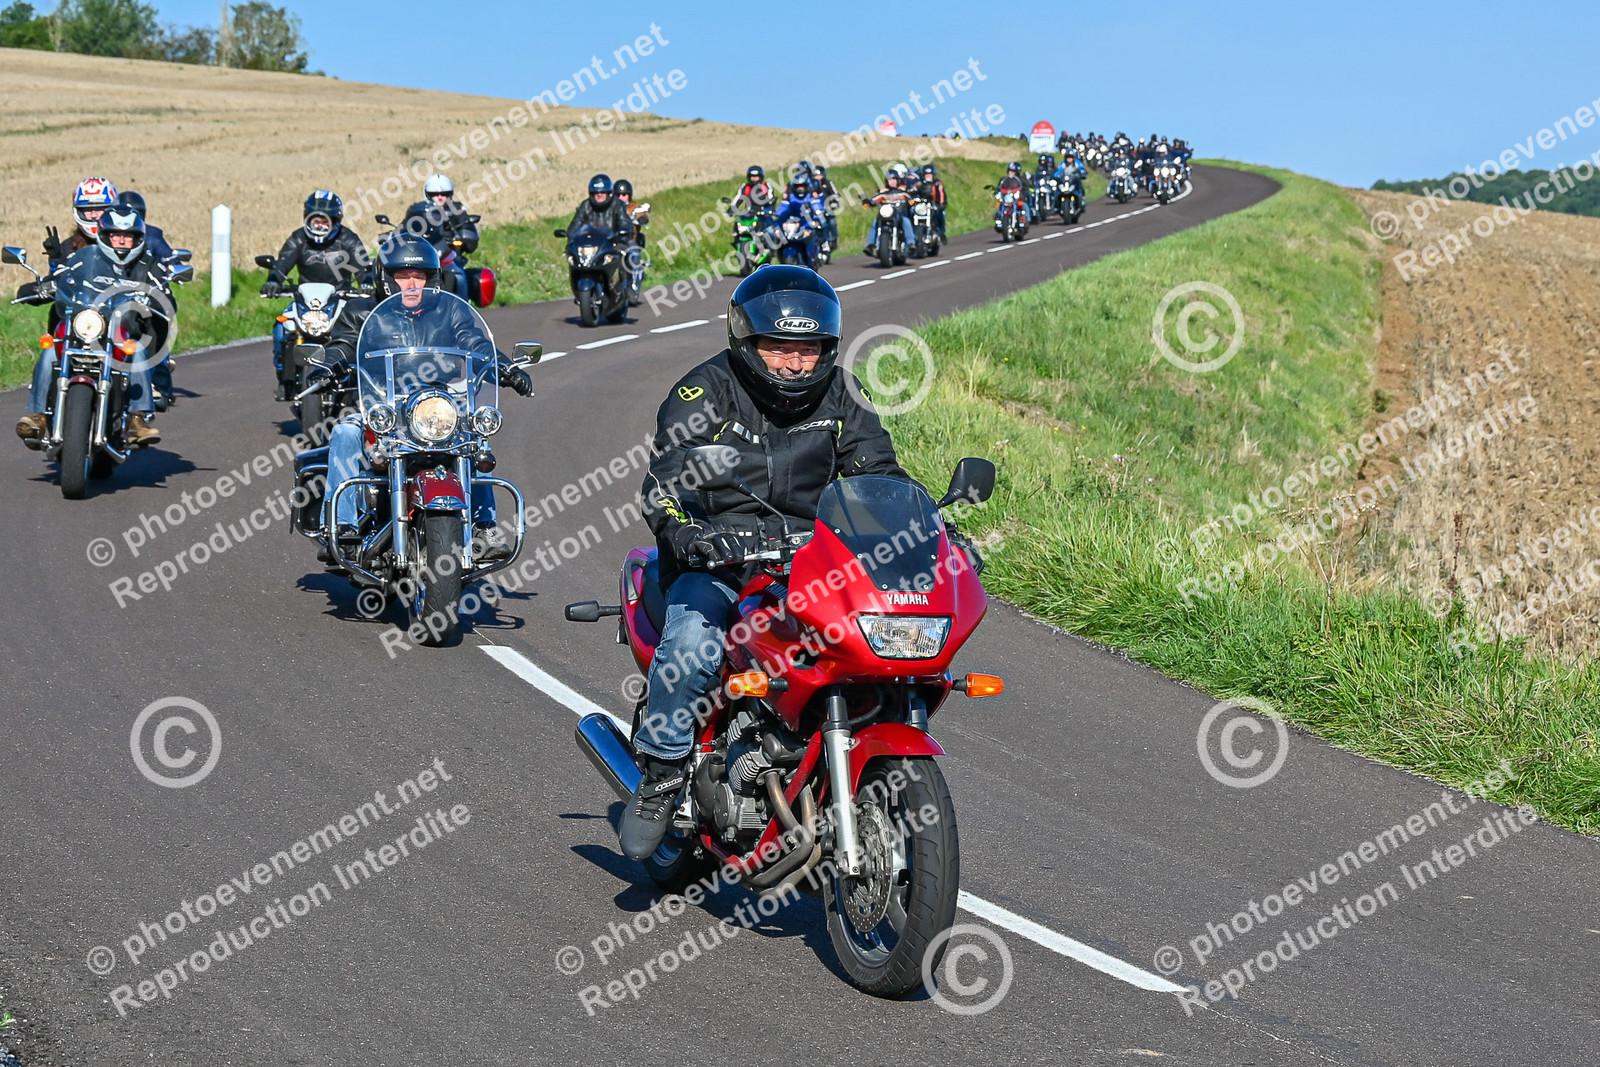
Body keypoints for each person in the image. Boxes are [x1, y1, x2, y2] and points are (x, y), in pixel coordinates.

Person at [619, 267, 914, 859]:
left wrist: (926, 526)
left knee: (874, 644)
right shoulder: (704, 392)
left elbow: (879, 473)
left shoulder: (843, 395)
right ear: (747, 341)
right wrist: (688, 533)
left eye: (808, 350)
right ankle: (663, 773)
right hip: (719, 562)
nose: (795, 364)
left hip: (814, 559)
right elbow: (665, 481)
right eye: (780, 348)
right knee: (693, 644)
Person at [320, 234, 530, 562]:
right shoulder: (361, 312)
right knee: (345, 432)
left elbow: (475, 342)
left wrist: (504, 367)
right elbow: (344, 343)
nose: (411, 284)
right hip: (382, 406)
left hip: (435, 408)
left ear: (432, 278)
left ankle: (483, 528)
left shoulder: (449, 310)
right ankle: (341, 526)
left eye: (419, 276)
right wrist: (329, 363)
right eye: (402, 276)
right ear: (385, 277)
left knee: (475, 435)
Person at [16, 204, 171, 448]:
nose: (121, 241)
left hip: (121, 330)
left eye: (128, 236)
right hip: (85, 327)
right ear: (105, 236)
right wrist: (42, 288)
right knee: (52, 348)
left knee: (137, 350)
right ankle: (39, 416)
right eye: (115, 235)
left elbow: (165, 293)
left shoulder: (147, 263)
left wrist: (155, 298)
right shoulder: (86, 258)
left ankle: (136, 419)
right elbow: (62, 278)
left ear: (138, 239)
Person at [262, 191, 369, 398]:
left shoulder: (348, 239)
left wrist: (365, 283)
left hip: (340, 299)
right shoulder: (298, 238)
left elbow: (363, 267)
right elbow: (281, 264)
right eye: (315, 221)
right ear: (307, 219)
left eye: (324, 221)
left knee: (356, 330)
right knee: (281, 326)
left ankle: (355, 380)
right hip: (305, 301)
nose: (319, 226)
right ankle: (285, 378)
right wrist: (273, 281)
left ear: (335, 221)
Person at [43, 177, 118, 272]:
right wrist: (56, 260)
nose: (93, 215)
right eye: (88, 210)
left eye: (99, 209)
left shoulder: (123, 241)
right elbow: (57, 279)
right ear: (79, 211)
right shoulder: (69, 246)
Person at [403, 174, 480, 260]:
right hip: (420, 254)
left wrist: (459, 236)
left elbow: (469, 239)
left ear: (450, 195)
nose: (440, 197)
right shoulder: (419, 210)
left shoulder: (457, 210)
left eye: (444, 194)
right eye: (435, 194)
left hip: (449, 256)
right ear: (428, 195)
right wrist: (394, 235)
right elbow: (404, 227)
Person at [862, 169, 917, 257]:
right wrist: (867, 201)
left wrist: (913, 198)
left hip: (899, 214)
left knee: (906, 221)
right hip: (885, 215)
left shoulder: (903, 190)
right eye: (889, 180)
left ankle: (911, 243)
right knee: (875, 223)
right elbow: (874, 200)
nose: (892, 182)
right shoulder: (883, 192)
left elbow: (911, 197)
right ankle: (870, 245)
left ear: (898, 180)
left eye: (894, 179)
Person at [568, 173, 633, 235]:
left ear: (608, 193)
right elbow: (575, 226)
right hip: (590, 241)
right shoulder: (585, 206)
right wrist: (571, 235)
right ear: (592, 193)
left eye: (603, 192)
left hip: (613, 241)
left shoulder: (617, 205)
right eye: (596, 192)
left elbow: (625, 223)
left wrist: (623, 232)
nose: (599, 195)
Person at [915, 163, 948, 241]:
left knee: (940, 215)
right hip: (922, 205)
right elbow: (913, 192)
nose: (928, 176)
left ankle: (941, 233)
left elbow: (941, 195)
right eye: (926, 174)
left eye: (930, 174)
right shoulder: (919, 184)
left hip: (934, 204)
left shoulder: (937, 183)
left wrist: (941, 204)